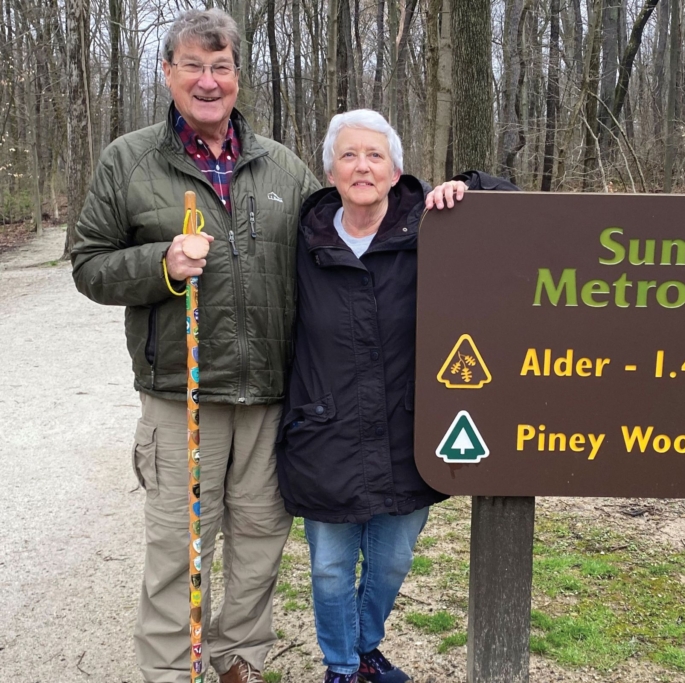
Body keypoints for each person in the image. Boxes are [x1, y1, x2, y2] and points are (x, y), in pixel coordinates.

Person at [70, 9, 319, 683]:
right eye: (193, 66)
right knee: (181, 551)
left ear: (238, 76)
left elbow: (337, 248)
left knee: (263, 543)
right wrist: (160, 264)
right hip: (183, 397)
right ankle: (172, 672)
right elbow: (88, 263)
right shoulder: (130, 161)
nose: (208, 82)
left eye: (221, 67)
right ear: (168, 73)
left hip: (270, 395)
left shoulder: (284, 169)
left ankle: (238, 662)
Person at [275, 109, 515, 683]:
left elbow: (515, 220)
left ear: (397, 169)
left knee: (390, 561)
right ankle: (341, 666)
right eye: (350, 155)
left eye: (375, 155)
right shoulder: (301, 243)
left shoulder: (430, 228)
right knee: (330, 569)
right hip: (323, 433)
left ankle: (365, 649)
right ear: (330, 169)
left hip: (408, 433)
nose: (362, 166)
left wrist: (473, 189)